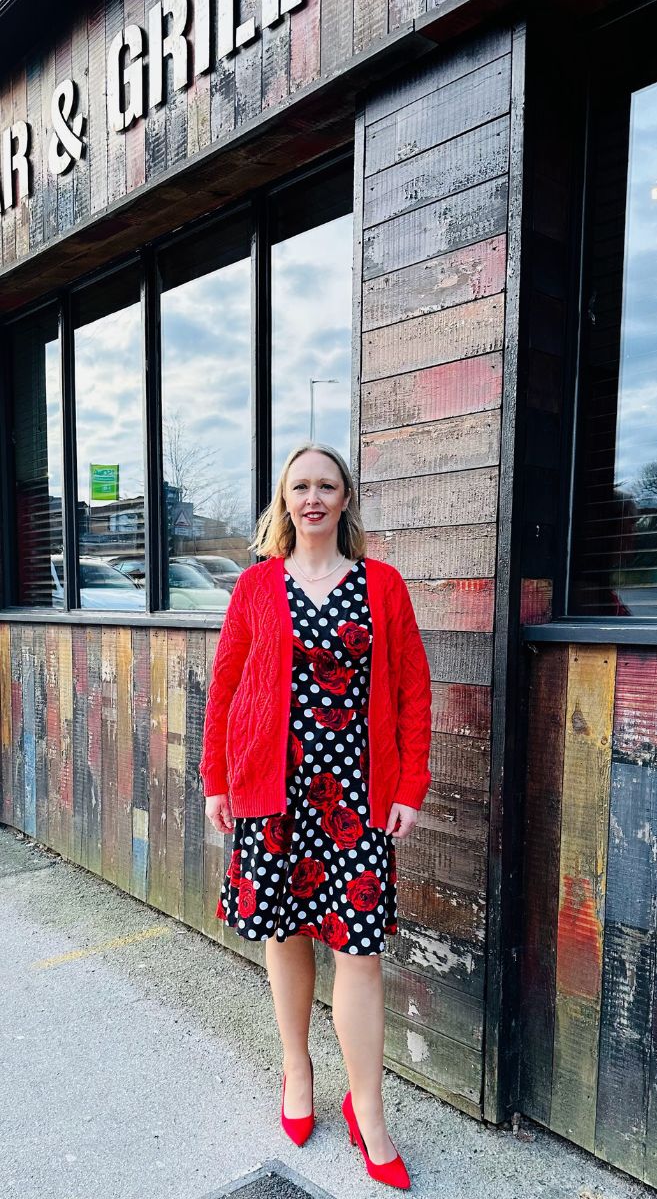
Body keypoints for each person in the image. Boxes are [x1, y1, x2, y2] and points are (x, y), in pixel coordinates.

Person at [200, 441, 432, 1191]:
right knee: (285, 933)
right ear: (284, 500)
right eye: (300, 486)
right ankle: (296, 1073)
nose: (313, 498)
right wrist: (216, 780)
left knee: (359, 952)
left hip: (359, 800)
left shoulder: (383, 586)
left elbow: (412, 693)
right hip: (273, 791)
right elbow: (226, 688)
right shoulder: (257, 587)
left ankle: (369, 1108)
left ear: (345, 498)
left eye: (326, 486)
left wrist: (410, 786)